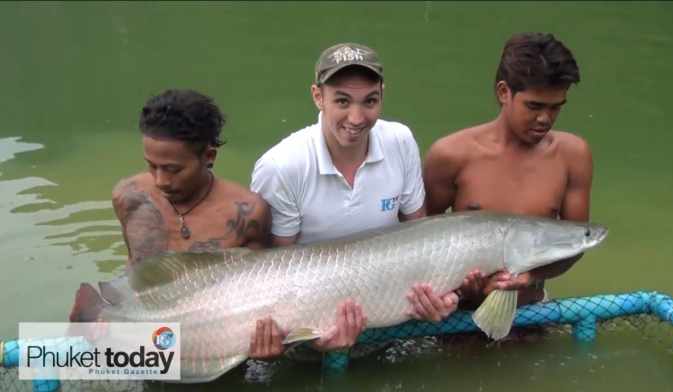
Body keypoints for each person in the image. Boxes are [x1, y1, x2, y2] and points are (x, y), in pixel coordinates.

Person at [248, 43, 459, 358]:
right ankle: (147, 356)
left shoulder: (400, 141)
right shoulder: (282, 166)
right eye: (342, 101)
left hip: (384, 328)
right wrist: (310, 334)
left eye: (370, 101)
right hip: (306, 335)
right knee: (158, 359)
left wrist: (437, 295)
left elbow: (421, 239)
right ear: (318, 96)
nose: (357, 118)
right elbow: (277, 269)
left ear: (382, 96)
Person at [424, 32, 593, 309]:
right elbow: (415, 239)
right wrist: (460, 286)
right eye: (534, 106)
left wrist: (529, 277)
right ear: (504, 92)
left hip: (533, 311)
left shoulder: (573, 156)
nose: (544, 119)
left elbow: (574, 246)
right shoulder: (451, 154)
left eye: (555, 108)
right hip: (456, 317)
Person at [112, 89, 270, 267]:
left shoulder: (249, 214)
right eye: (152, 165)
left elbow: (256, 282)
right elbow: (133, 269)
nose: (160, 181)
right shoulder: (129, 196)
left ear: (209, 156)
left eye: (173, 169)